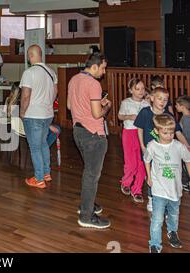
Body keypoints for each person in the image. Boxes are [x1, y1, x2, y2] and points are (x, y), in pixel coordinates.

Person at [67, 53, 111, 229]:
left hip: (78, 131)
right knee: (92, 176)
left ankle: (88, 204)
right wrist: (106, 105)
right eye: (102, 68)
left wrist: (95, 102)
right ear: (94, 66)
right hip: (93, 134)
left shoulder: (74, 79)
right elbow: (96, 114)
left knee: (89, 173)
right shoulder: (94, 84)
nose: (104, 72)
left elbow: (70, 106)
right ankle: (86, 216)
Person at [134, 87, 190, 212]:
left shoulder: (168, 115)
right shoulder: (145, 112)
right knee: (151, 175)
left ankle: (164, 198)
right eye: (159, 98)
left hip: (165, 152)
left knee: (162, 175)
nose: (162, 101)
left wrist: (186, 145)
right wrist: (142, 146)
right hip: (150, 150)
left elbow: (177, 132)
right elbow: (140, 129)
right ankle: (151, 198)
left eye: (165, 99)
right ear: (152, 98)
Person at [145, 114, 190, 253]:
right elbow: (147, 160)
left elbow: (187, 160)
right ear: (157, 131)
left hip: (175, 190)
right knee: (157, 219)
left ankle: (172, 232)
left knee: (174, 215)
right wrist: (149, 177)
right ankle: (154, 243)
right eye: (165, 133)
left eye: (171, 132)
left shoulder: (178, 146)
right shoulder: (152, 146)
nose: (169, 135)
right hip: (159, 190)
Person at [20, 45, 58, 190]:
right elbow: (55, 92)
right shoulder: (51, 71)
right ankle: (47, 173)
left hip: (33, 114)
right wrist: (46, 103)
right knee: (43, 144)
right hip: (47, 114)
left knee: (35, 148)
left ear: (30, 56)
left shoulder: (29, 73)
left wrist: (23, 112)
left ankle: (39, 178)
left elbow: (25, 95)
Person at [118, 78, 150, 203]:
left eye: (142, 88)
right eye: (137, 89)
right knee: (131, 162)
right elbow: (120, 116)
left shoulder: (146, 104)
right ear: (131, 90)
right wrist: (129, 116)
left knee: (142, 163)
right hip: (129, 133)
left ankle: (137, 190)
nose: (141, 91)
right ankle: (126, 182)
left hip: (143, 134)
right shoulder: (126, 102)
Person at [5, 81, 60, 147]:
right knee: (56, 129)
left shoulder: (8, 101)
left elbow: (6, 116)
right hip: (29, 128)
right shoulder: (24, 104)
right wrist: (48, 126)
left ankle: (39, 148)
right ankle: (41, 149)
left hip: (17, 129)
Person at [175, 95, 190, 192]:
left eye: (177, 105)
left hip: (187, 146)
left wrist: (187, 146)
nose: (175, 107)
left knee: (186, 164)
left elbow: (187, 134)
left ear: (182, 107)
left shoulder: (186, 119)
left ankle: (186, 183)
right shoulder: (185, 117)